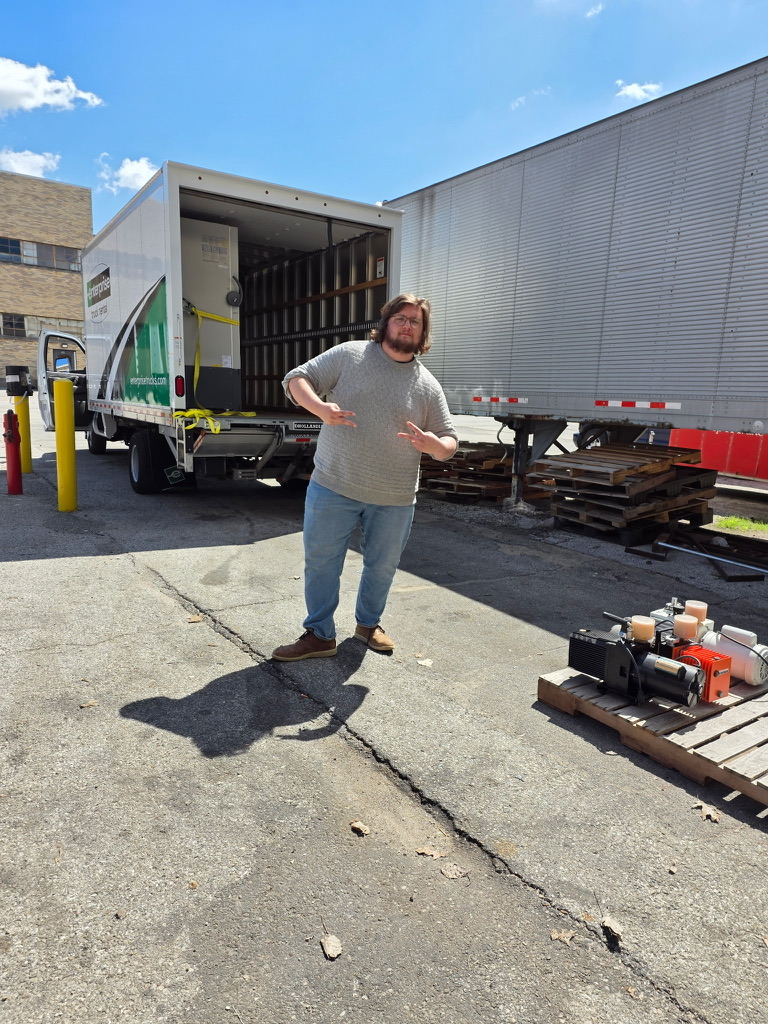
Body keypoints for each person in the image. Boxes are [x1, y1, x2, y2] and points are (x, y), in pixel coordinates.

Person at [271, 293, 458, 662]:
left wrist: (436, 445)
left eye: (415, 321)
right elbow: (297, 379)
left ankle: (368, 625)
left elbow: (449, 442)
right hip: (333, 484)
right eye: (401, 317)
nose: (407, 325)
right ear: (386, 322)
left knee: (382, 566)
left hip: (395, 496)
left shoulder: (428, 386)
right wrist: (320, 408)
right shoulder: (350, 355)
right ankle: (320, 635)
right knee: (322, 561)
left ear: (423, 333)